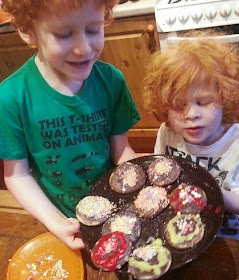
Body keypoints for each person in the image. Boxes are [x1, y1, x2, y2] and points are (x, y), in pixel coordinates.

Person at [0, 0, 140, 250]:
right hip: (60, 218)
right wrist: (56, 221)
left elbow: (120, 151)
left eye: (93, 29)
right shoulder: (11, 98)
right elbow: (17, 176)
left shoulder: (112, 81)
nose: (83, 48)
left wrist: (141, 185)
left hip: (114, 211)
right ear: (28, 31)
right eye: (64, 34)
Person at [142, 29, 239, 240]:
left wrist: (207, 188)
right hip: (181, 226)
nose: (191, 115)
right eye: (179, 105)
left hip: (228, 234)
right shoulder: (168, 133)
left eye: (203, 102)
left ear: (224, 100)